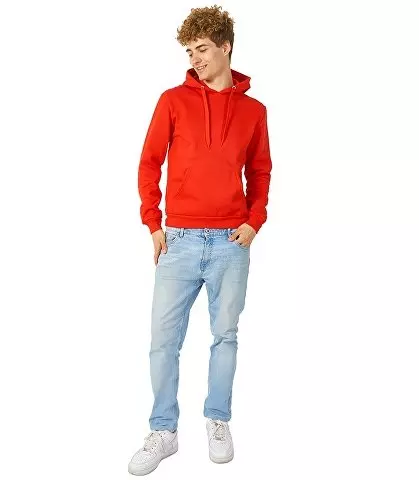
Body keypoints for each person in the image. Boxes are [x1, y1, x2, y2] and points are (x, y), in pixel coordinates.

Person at [129, 5, 272, 475]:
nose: (195, 58)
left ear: (225, 47)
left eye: (203, 49)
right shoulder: (172, 101)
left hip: (232, 242)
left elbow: (260, 172)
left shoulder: (254, 111)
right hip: (179, 239)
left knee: (225, 336)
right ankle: (163, 431)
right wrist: (153, 223)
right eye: (190, 51)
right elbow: (149, 163)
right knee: (162, 340)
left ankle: (217, 419)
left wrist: (254, 221)